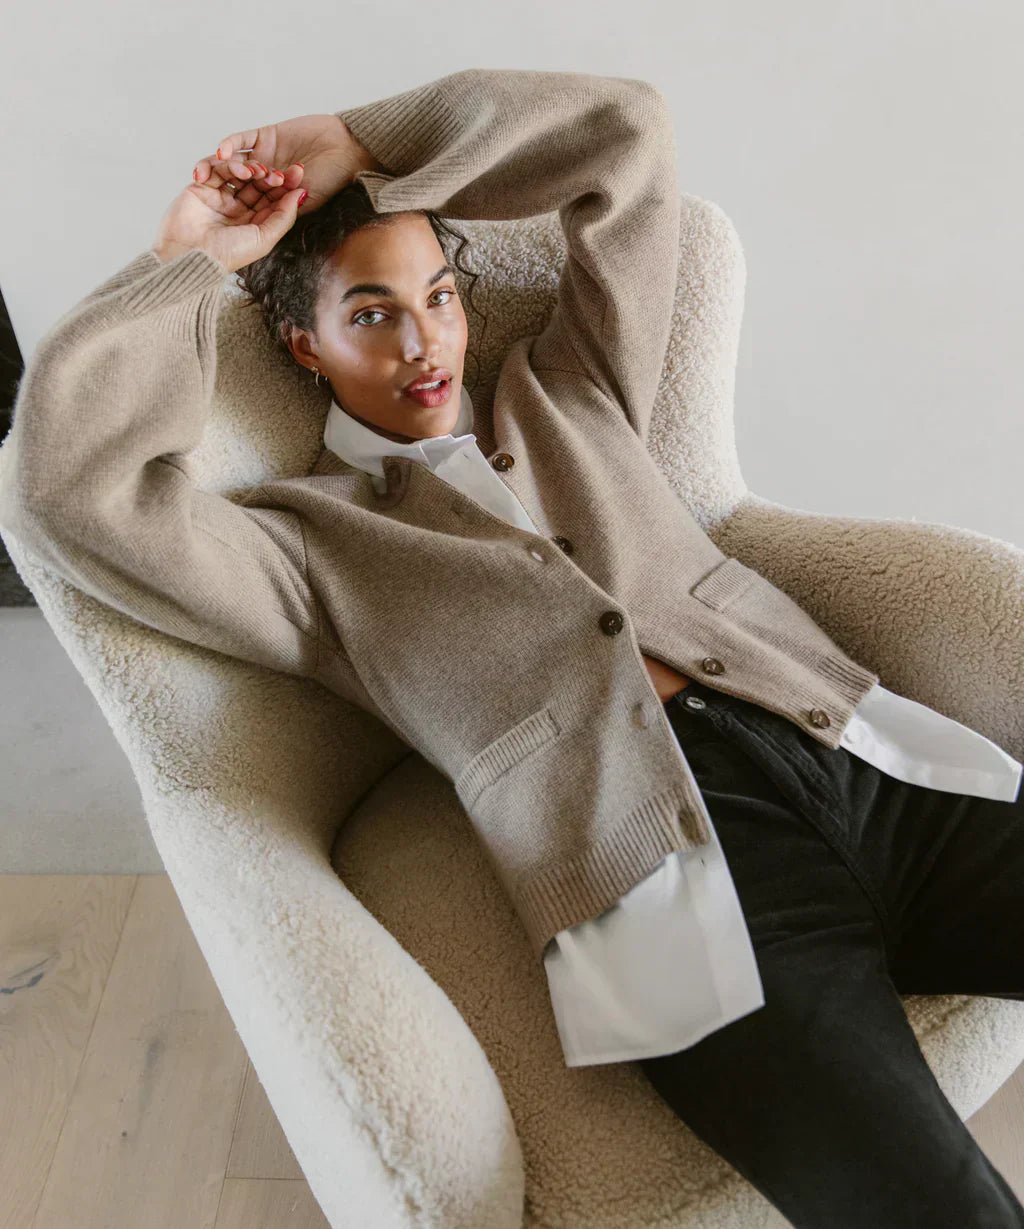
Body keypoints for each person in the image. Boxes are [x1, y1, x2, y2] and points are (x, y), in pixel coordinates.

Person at [6, 72, 1023, 1226]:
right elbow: (66, 496)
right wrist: (190, 257)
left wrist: (355, 142)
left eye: (438, 296)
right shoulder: (311, 554)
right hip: (690, 911)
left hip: (875, 774)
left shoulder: (575, 387)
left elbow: (622, 134)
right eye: (371, 314)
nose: (424, 340)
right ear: (303, 343)